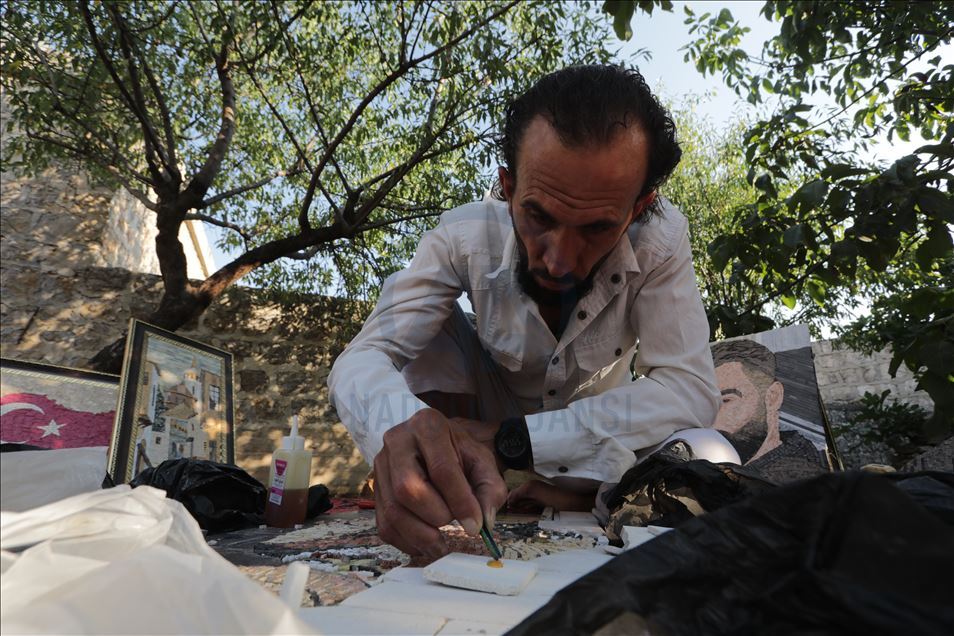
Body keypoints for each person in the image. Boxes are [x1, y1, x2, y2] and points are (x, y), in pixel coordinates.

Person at [328, 64, 720, 558]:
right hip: (480, 414)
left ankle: (571, 489)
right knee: (429, 324)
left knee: (709, 452)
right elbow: (361, 360)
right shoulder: (463, 238)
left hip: (597, 445)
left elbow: (690, 389)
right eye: (538, 216)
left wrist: (513, 440)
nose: (559, 261)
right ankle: (434, 471)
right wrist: (403, 427)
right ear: (508, 188)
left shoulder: (660, 241)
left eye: (596, 228)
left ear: (637, 210)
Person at [710, 338, 828, 482]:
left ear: (773, 397)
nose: (711, 421)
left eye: (726, 400)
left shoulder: (799, 476)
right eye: (705, 406)